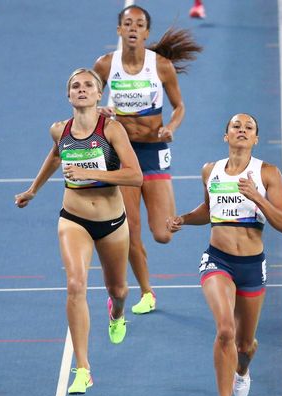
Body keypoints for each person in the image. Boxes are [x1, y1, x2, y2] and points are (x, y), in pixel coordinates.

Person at [15, 68, 142, 395]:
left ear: (99, 95)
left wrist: (92, 171)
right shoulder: (60, 130)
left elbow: (135, 176)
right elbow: (55, 157)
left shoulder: (111, 130)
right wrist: (33, 190)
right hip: (73, 217)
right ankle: (83, 367)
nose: (82, 89)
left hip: (112, 221)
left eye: (88, 85)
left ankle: (117, 312)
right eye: (76, 86)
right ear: (68, 95)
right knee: (75, 284)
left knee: (119, 289)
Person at [167, 113, 282, 396]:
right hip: (217, 261)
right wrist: (183, 218)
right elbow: (208, 210)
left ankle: (242, 369)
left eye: (249, 128)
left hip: (251, 266)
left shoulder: (268, 173)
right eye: (236, 126)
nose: (242, 130)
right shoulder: (210, 171)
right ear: (226, 136)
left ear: (256, 139)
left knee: (245, 346)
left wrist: (257, 198)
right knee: (225, 330)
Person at [93, 5, 202, 315]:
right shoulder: (104, 65)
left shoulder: (161, 66)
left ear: (146, 33)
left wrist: (171, 127)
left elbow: (179, 106)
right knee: (129, 230)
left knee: (163, 233)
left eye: (139, 24)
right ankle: (147, 292)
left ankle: (145, 283)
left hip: (153, 152)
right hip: (122, 155)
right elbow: (91, 102)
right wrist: (100, 111)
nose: (132, 28)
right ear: (119, 31)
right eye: (127, 23)